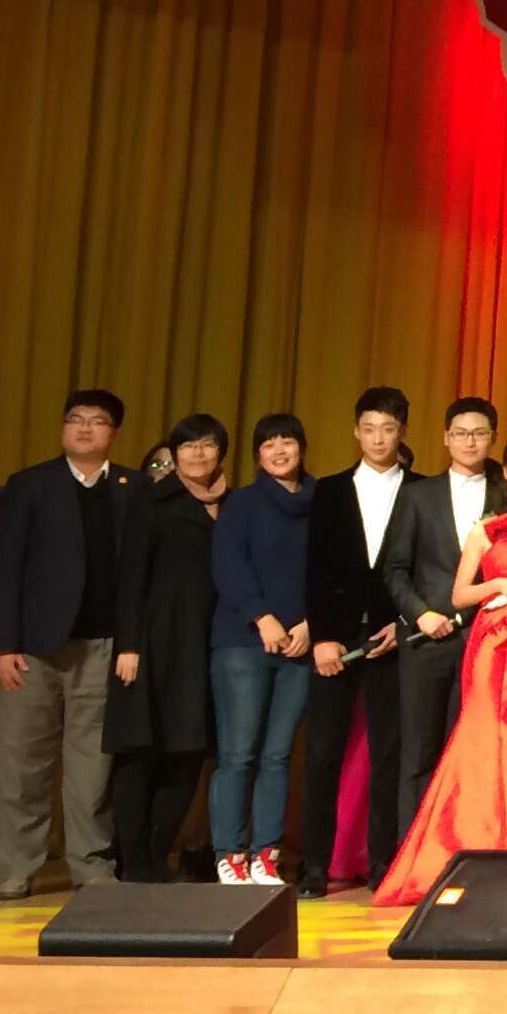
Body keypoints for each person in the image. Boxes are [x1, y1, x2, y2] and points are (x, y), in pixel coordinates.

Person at [372, 433, 507, 907]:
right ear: (506, 473)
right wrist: (499, 585)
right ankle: (486, 843)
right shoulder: (488, 529)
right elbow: (459, 595)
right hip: (493, 648)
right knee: (487, 739)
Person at [0, 386, 130, 900]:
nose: (84, 428)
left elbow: (136, 572)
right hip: (32, 649)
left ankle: (91, 865)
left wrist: (129, 643)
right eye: (75, 419)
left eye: (96, 420)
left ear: (113, 432)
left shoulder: (130, 487)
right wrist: (2, 645)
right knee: (23, 762)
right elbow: (3, 569)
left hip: (102, 647)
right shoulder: (30, 484)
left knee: (93, 768)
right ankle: (16, 866)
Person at [290, 385, 411, 898]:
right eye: (369, 428)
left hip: (393, 636)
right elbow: (314, 569)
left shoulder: (421, 491)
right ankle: (314, 867)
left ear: (402, 432)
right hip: (335, 639)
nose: (378, 438)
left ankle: (384, 863)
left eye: (388, 429)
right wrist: (322, 637)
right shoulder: (330, 490)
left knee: (389, 754)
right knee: (323, 753)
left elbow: (425, 570)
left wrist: (404, 625)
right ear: (355, 432)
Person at [106, 412, 230, 883]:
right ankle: (133, 860)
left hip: (209, 643)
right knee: (140, 751)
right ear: (175, 455)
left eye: (207, 444)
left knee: (188, 751)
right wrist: (129, 644)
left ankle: (158, 852)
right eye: (188, 446)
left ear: (220, 452)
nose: (198, 454)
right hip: (153, 641)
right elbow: (130, 575)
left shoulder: (234, 504)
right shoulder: (152, 499)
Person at [376, 394, 502, 843]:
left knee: (473, 751)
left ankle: (463, 851)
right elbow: (394, 568)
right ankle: (412, 856)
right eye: (461, 433)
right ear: (446, 438)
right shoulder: (417, 495)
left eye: (479, 433)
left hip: (487, 641)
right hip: (427, 642)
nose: (470, 441)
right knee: (418, 753)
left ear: (492, 438)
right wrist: (420, 615)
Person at [207, 411, 315, 886]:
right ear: (257, 455)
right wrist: (263, 617)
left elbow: (331, 570)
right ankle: (229, 853)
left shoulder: (322, 500)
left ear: (301, 448)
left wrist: (311, 623)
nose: (279, 451)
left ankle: (265, 854)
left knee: (277, 756)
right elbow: (227, 565)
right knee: (238, 754)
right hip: (242, 643)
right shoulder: (242, 504)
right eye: (268, 444)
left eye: (286, 441)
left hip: (300, 646)